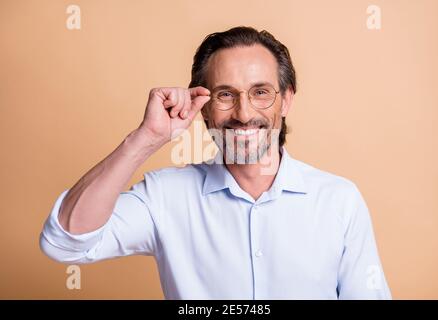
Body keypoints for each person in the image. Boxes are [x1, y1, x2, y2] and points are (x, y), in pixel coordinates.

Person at [40, 26, 391, 299]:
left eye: (260, 92)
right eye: (225, 94)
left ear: (285, 101)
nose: (243, 113)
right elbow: (65, 242)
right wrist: (146, 138)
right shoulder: (165, 197)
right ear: (203, 107)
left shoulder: (339, 200)